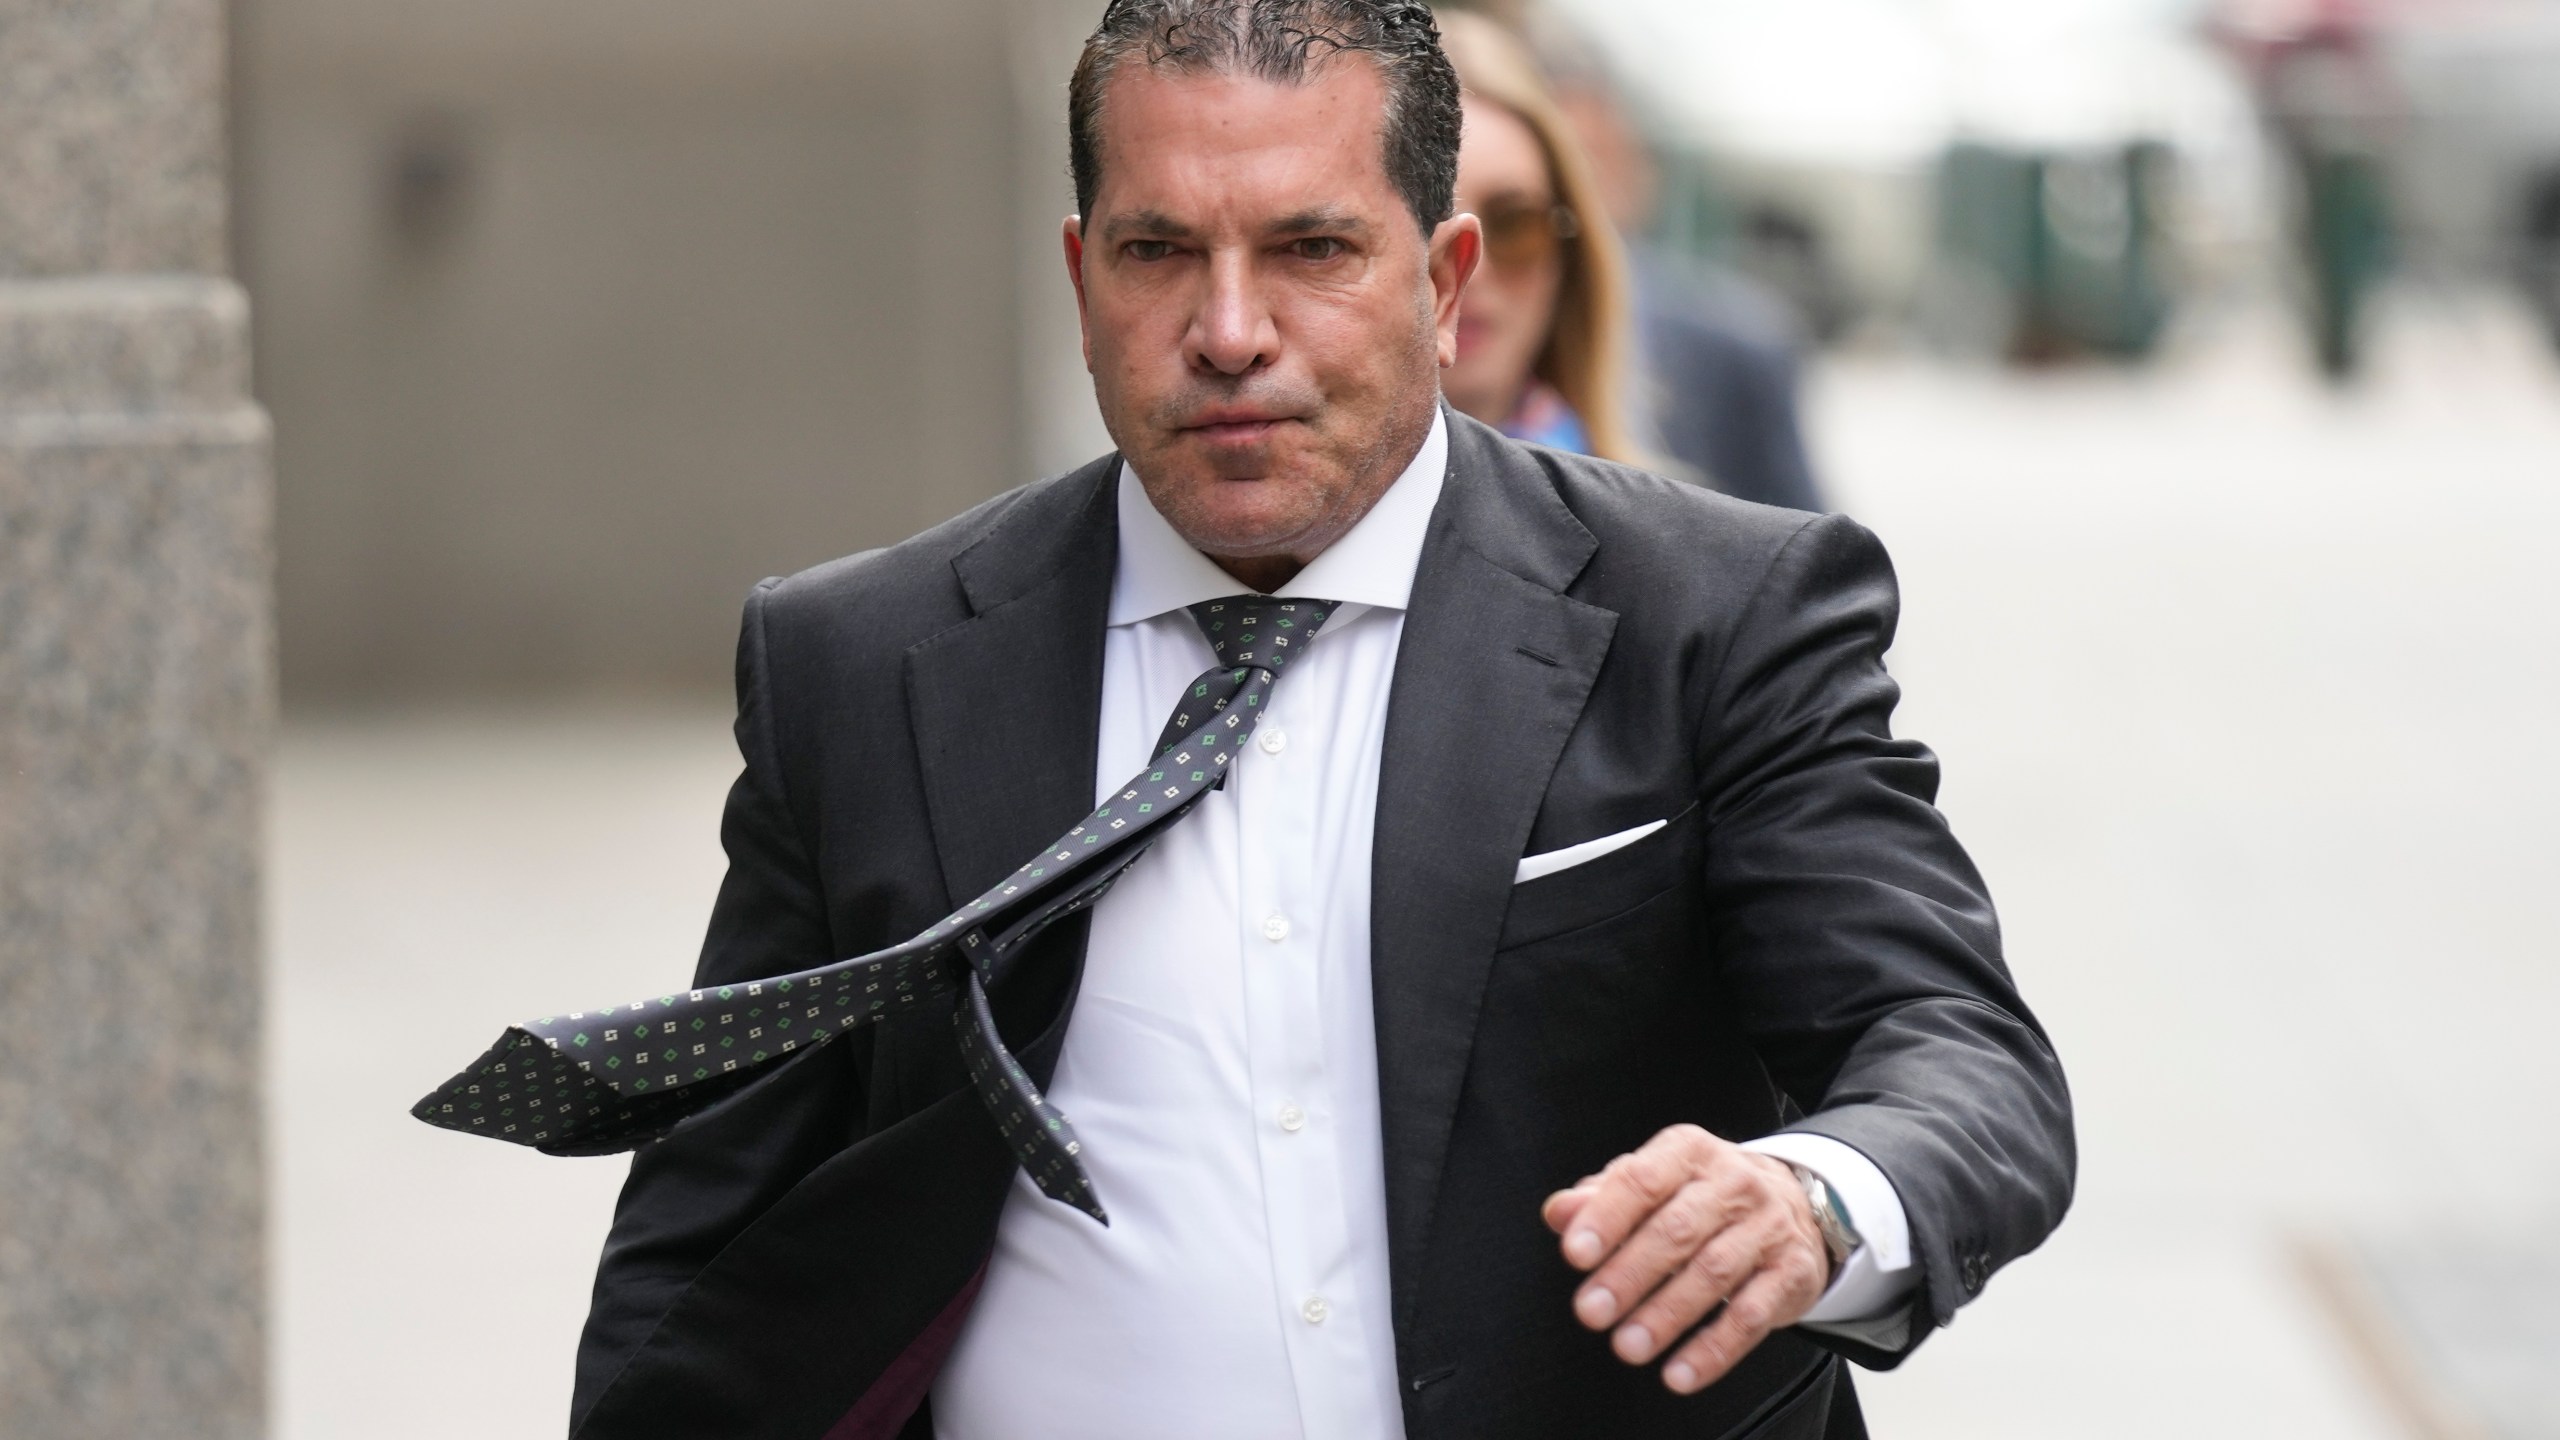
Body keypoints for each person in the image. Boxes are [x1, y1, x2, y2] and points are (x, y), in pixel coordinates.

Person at [557, 4, 2071, 1437]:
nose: (1229, 330)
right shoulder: (863, 665)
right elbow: (713, 1232)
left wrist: (1814, 1199)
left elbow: (1955, 1051)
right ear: (1081, 279)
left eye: (1311, 248)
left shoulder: (1715, 616)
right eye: (1160, 252)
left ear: (1445, 278)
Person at [1543, 29, 1830, 513]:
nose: (1577, 199)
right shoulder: (1465, 333)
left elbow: (1807, 548)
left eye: (1593, 160)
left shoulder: (1739, 346)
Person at [1434, 10, 1643, 463]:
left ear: (1571, 256)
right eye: (1429, 224)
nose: (1472, 267)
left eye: (1515, 224)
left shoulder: (1655, 524)